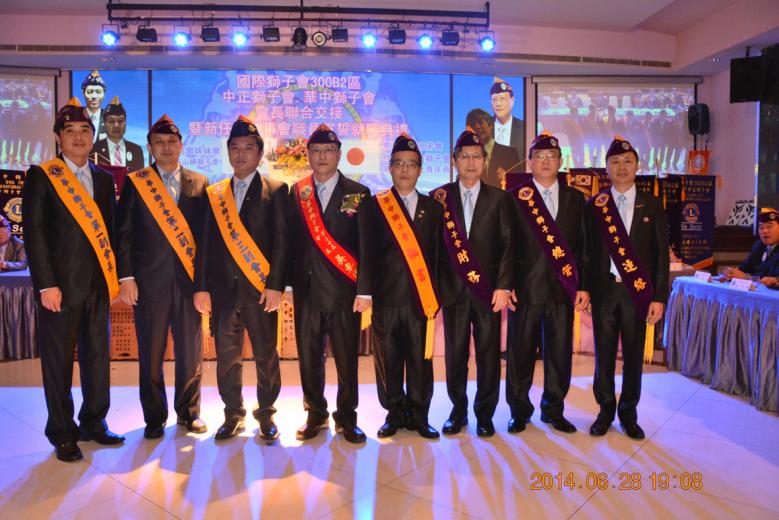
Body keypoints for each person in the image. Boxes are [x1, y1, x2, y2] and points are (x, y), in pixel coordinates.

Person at [22, 97, 124, 462]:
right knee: (59, 363)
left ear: (93, 135)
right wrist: (45, 284)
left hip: (98, 287)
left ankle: (94, 423)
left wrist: (114, 281)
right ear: (58, 137)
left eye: (85, 130)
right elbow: (34, 234)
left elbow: (110, 234)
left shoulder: (103, 178)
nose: (78, 137)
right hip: (60, 290)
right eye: (70, 131)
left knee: (97, 358)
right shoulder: (42, 176)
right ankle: (62, 432)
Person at [194, 116, 288, 442]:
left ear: (259, 153)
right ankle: (233, 413)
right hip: (223, 292)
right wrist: (201, 286)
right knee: (227, 358)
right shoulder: (215, 194)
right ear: (228, 152)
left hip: (260, 291)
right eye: (235, 148)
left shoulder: (276, 190)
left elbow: (281, 242)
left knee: (266, 356)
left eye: (248, 148)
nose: (241, 154)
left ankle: (266, 415)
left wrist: (275, 285)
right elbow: (205, 244)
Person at [116, 114, 208, 439]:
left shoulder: (200, 183)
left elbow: (206, 239)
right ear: (150, 147)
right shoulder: (136, 182)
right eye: (159, 142)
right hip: (148, 284)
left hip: (188, 285)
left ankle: (189, 413)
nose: (166, 147)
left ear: (181, 145)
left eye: (172, 141)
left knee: (190, 354)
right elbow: (123, 234)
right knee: (151, 353)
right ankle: (154, 417)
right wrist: (126, 277)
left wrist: (204, 285)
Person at [287, 124, 374, 444]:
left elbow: (365, 247)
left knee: (347, 358)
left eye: (328, 151)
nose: (322, 156)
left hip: (344, 293)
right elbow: (289, 242)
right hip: (307, 291)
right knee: (309, 357)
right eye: (316, 151)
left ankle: (347, 417)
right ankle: (315, 413)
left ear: (339, 155)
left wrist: (364, 290)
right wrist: (287, 285)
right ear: (308, 155)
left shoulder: (358, 193)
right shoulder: (298, 192)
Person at [432, 128, 515, 437]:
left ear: (484, 161)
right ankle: (457, 412)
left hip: (487, 293)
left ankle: (485, 415)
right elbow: (432, 249)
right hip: (452, 292)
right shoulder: (439, 198)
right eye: (464, 157)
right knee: (455, 356)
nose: (470, 163)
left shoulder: (500, 198)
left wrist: (503, 286)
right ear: (454, 161)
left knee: (488, 356)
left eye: (476, 157)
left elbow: (508, 245)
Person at [507, 131, 590, 434]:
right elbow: (507, 245)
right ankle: (519, 411)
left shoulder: (575, 199)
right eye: (539, 157)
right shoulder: (515, 198)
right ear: (529, 162)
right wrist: (506, 283)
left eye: (551, 156)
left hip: (562, 290)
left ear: (560, 161)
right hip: (525, 289)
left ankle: (553, 409)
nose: (545, 161)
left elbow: (583, 247)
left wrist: (583, 286)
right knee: (520, 353)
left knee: (559, 354)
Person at [588, 136, 669, 440]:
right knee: (604, 356)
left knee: (633, 357)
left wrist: (659, 297)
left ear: (637, 166)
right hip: (605, 292)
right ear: (606, 168)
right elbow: (587, 252)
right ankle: (605, 411)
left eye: (627, 162)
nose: (621, 167)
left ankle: (628, 414)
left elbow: (661, 256)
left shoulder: (653, 204)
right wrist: (585, 289)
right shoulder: (595, 205)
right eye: (615, 162)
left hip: (638, 293)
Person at [371, 133, 442, 439]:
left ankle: (420, 414)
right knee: (387, 359)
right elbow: (367, 253)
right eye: (398, 163)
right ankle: (394, 413)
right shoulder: (376, 206)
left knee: (419, 359)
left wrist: (437, 297)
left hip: (420, 300)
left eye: (411, 164)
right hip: (386, 298)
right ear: (389, 167)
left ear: (420, 170)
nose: (404, 169)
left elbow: (438, 256)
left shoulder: (433, 208)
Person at [466, 108, 520, 189]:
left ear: (490, 125)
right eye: (473, 125)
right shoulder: (467, 157)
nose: (477, 127)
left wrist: (507, 178)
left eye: (480, 122)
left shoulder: (510, 153)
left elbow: (519, 184)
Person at [722, 208, 779, 283]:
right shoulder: (759, 245)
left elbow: (774, 279)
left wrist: (746, 277)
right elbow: (744, 268)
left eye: (769, 227)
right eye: (761, 227)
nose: (764, 231)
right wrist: (732, 273)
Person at [92, 96, 145, 172]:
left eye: (120, 121)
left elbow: (139, 177)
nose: (116, 125)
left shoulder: (136, 150)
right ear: (104, 123)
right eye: (111, 121)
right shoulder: (94, 149)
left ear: (125, 122)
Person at [490, 77, 526, 160]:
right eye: (494, 99)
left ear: (512, 100)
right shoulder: (483, 128)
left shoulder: (524, 128)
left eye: (502, 98)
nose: (498, 103)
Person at [81, 70, 107, 143]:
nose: (94, 96)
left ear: (104, 94)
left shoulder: (109, 117)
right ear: (83, 93)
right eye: (90, 92)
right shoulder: (76, 116)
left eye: (98, 92)